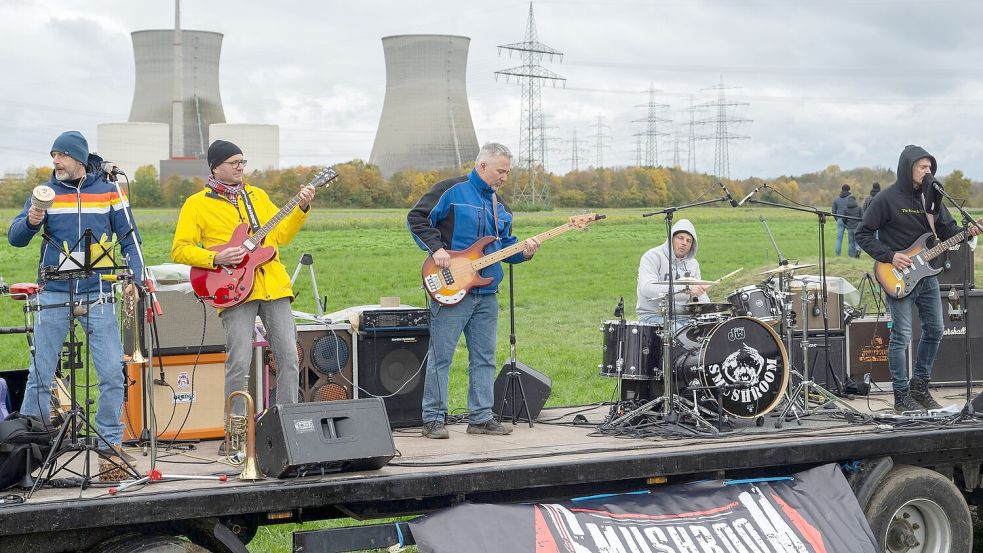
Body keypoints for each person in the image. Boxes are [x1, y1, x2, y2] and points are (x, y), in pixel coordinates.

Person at [7, 131, 142, 463]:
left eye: (61, 155)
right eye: (53, 155)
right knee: (41, 374)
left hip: (98, 295)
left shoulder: (110, 191)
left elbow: (131, 241)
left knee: (112, 372)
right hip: (54, 293)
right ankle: (27, 450)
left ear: (79, 158)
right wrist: (31, 221)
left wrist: (137, 280)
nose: (55, 161)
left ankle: (110, 446)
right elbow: (16, 238)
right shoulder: (45, 192)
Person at [171, 140, 314, 449]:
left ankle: (287, 428)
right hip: (232, 289)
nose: (240, 167)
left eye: (242, 162)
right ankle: (235, 436)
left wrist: (301, 208)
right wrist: (216, 259)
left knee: (289, 358)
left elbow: (282, 235)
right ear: (215, 167)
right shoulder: (196, 204)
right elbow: (180, 249)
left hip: (272, 286)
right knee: (239, 363)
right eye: (234, 162)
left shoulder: (257, 196)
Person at [407, 143, 540, 439]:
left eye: (507, 172)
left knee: (484, 358)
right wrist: (437, 248)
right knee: (442, 356)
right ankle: (433, 419)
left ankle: (480, 418)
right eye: (500, 171)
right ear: (482, 166)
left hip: (487, 291)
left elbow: (505, 248)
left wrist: (526, 252)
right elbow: (416, 219)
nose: (505, 177)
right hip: (452, 287)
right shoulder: (450, 190)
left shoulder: (502, 207)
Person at [856, 145, 981, 413]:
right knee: (901, 336)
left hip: (927, 276)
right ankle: (901, 395)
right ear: (907, 168)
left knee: (935, 330)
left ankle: (919, 386)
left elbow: (948, 231)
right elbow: (862, 234)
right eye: (922, 167)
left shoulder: (932, 199)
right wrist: (890, 256)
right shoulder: (886, 199)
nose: (928, 172)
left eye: (930, 168)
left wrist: (968, 232)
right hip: (896, 275)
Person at [636, 219, 710, 326]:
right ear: (671, 239)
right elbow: (647, 289)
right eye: (680, 238)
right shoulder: (652, 256)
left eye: (689, 241)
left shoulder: (693, 264)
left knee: (709, 332)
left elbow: (700, 295)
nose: (684, 243)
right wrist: (687, 289)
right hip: (653, 316)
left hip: (684, 317)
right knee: (682, 335)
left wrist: (712, 313)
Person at [831, 184, 854, 256]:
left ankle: (838, 255)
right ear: (849, 189)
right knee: (851, 239)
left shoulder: (836, 199)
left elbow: (833, 211)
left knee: (839, 239)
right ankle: (851, 255)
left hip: (840, 219)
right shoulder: (851, 198)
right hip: (849, 220)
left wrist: (837, 219)